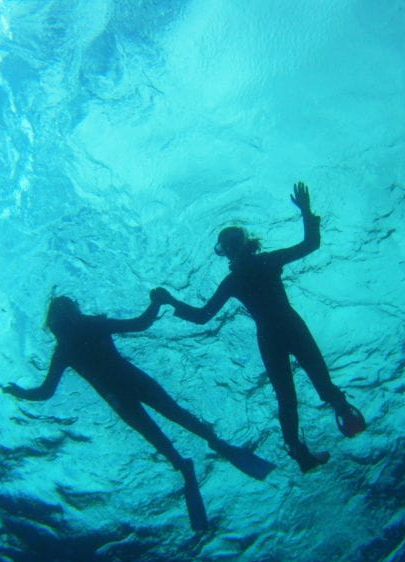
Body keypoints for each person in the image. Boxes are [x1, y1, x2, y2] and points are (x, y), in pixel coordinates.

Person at [1, 294, 274, 532]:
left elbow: (45, 391)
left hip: (121, 395)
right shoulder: (86, 331)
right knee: (168, 423)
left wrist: (20, 392)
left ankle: (191, 460)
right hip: (131, 387)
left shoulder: (70, 344)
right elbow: (140, 323)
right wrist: (155, 303)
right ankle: (200, 454)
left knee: (163, 428)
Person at [152, 182, 365, 473]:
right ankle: (330, 418)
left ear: (229, 250)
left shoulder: (238, 278)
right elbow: (310, 244)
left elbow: (203, 316)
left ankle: (307, 442)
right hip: (288, 327)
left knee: (291, 395)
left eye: (230, 244)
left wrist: (171, 300)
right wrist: (305, 212)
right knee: (307, 386)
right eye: (229, 245)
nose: (231, 249)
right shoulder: (263, 263)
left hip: (271, 335)